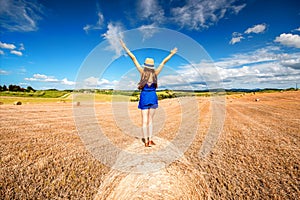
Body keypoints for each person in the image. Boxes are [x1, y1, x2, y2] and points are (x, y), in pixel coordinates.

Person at [120, 39, 177, 147]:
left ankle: (146, 141)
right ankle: (150, 140)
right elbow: (164, 62)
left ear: (145, 65)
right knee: (150, 120)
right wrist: (171, 54)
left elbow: (133, 58)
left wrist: (124, 47)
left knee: (144, 120)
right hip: (152, 97)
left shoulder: (142, 73)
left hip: (144, 97)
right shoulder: (155, 74)